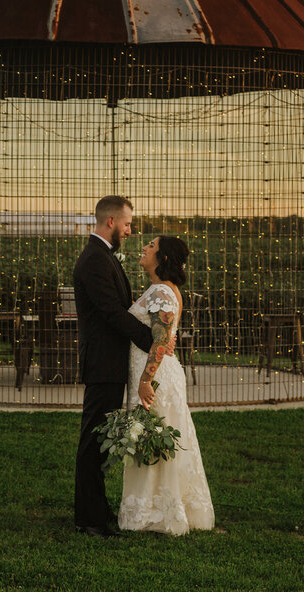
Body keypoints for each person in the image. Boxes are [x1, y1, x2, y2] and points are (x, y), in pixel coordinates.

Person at [72, 195, 173, 538]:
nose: (131, 230)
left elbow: (121, 307)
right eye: (127, 224)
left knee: (98, 440)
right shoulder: (94, 260)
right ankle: (89, 520)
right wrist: (153, 339)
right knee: (92, 441)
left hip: (110, 362)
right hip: (103, 363)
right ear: (111, 222)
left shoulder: (103, 257)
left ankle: (94, 512)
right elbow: (112, 314)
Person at [118, 235, 214, 535]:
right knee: (156, 439)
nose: (144, 248)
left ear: (162, 258)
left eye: (151, 246)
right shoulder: (162, 288)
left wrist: (146, 381)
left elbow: (160, 340)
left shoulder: (161, 290)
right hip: (155, 372)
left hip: (155, 377)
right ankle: (155, 507)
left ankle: (156, 512)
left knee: (154, 438)